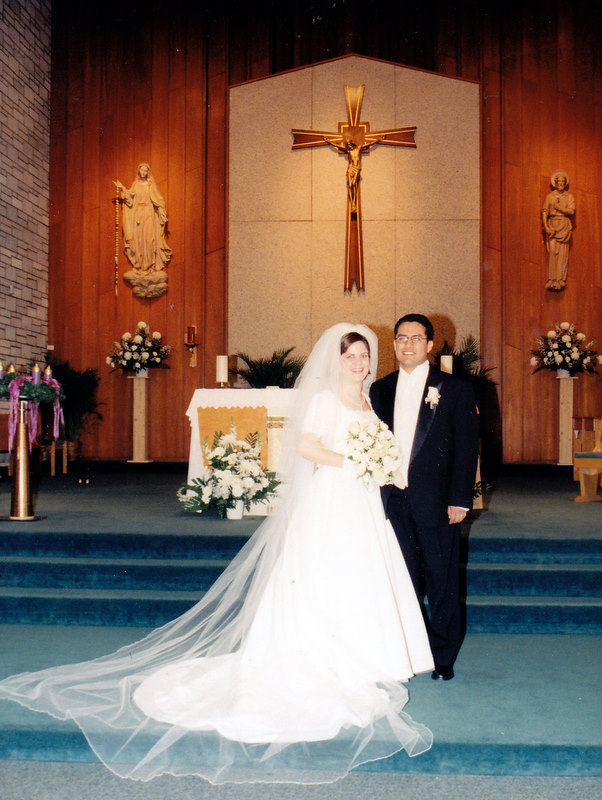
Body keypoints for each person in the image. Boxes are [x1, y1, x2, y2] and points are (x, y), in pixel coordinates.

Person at [0, 323, 433, 785]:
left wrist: (378, 464)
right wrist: (355, 461)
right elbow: (307, 446)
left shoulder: (368, 400)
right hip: (332, 499)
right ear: (336, 360)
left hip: (361, 501)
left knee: (360, 575)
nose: (359, 363)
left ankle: (363, 656)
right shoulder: (325, 400)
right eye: (351, 356)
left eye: (364, 356)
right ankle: (325, 658)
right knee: (325, 574)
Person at [370, 314, 479, 681]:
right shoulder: (380, 389)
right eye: (402, 337)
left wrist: (460, 500)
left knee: (441, 579)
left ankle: (443, 656)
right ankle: (411, 652)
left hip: (438, 501)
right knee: (403, 580)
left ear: (430, 345)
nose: (408, 344)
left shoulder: (455, 389)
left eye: (416, 338)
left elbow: (467, 448)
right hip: (393, 500)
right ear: (394, 343)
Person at [114, 163, 172, 298]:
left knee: (149, 239)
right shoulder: (136, 184)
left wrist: (161, 210)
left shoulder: (150, 185)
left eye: (146, 170)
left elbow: (158, 199)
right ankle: (141, 267)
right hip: (138, 215)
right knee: (139, 241)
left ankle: (149, 267)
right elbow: (130, 199)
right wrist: (123, 188)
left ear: (148, 172)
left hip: (149, 214)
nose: (144, 172)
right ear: (139, 171)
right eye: (142, 170)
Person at [541, 170, 575, 291]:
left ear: (565, 183)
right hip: (552, 225)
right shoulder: (550, 197)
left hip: (564, 225)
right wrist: (546, 227)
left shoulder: (569, 197)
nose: (561, 184)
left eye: (563, 182)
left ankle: (561, 279)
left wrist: (559, 207)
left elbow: (571, 211)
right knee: (552, 252)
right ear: (555, 183)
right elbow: (545, 212)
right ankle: (551, 279)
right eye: (559, 181)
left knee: (563, 254)